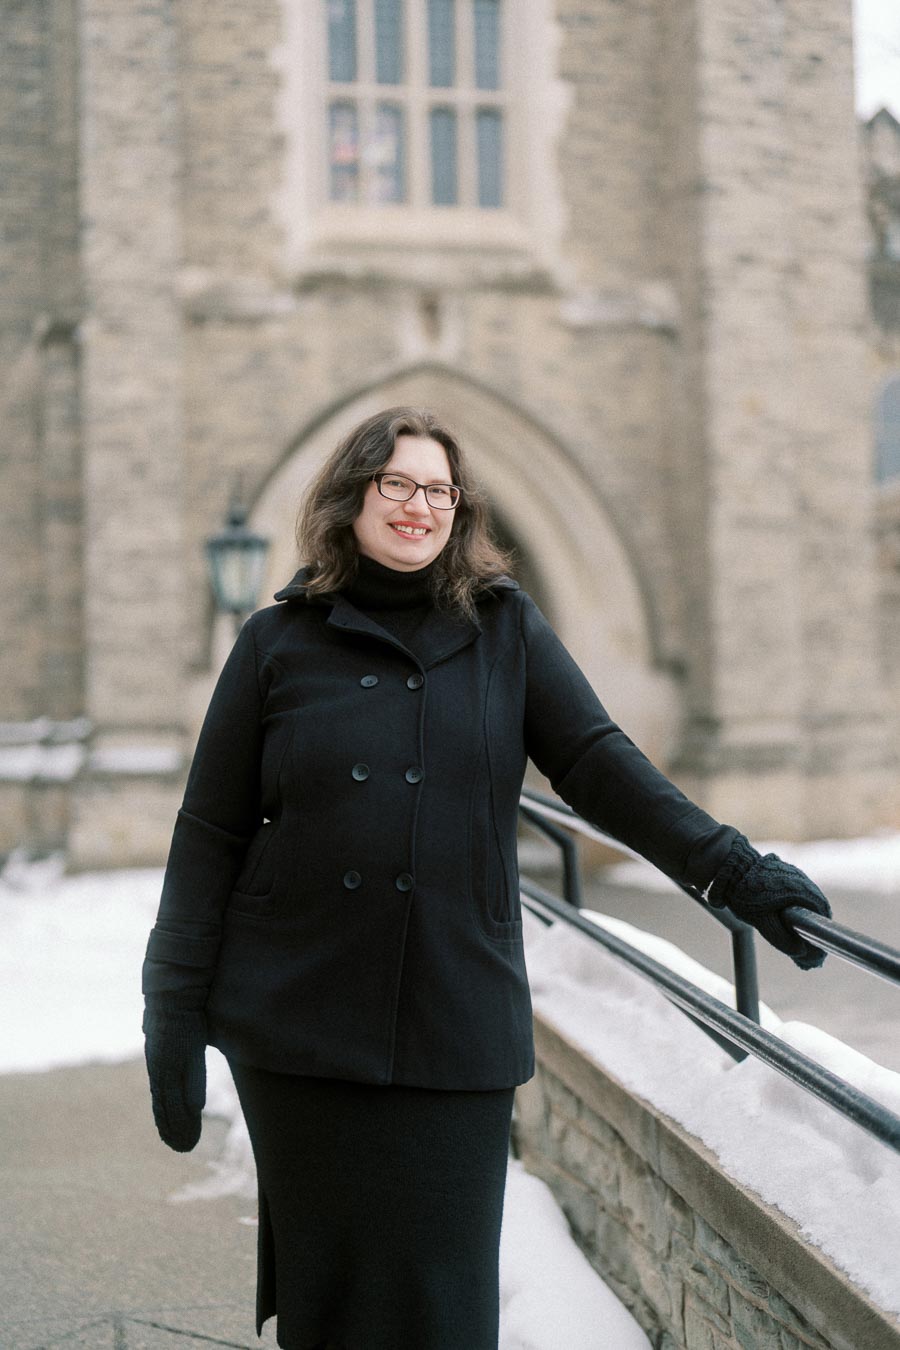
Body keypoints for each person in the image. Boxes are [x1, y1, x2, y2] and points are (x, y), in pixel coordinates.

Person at [142, 406, 832, 1350]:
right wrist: (170, 1009)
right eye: (396, 484)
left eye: (438, 489)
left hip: (452, 1014)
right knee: (330, 1302)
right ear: (352, 498)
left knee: (445, 1304)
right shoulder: (275, 643)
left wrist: (730, 870)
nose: (418, 506)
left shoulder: (503, 627)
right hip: (298, 1023)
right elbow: (208, 832)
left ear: (458, 509)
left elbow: (595, 763)